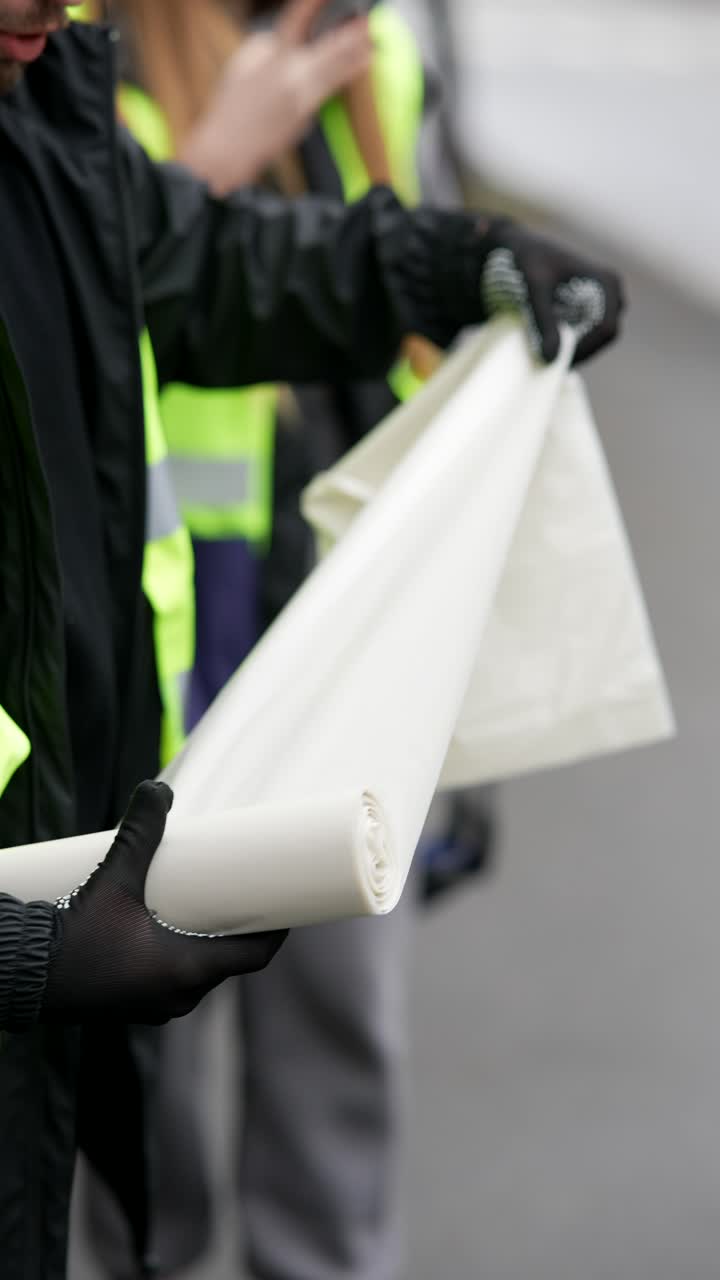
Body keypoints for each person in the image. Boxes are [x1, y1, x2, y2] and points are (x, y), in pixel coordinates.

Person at [0, 1, 624, 1276]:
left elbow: (192, 259)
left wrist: (460, 264)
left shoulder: (39, 97)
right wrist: (24, 947)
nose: (60, 5)